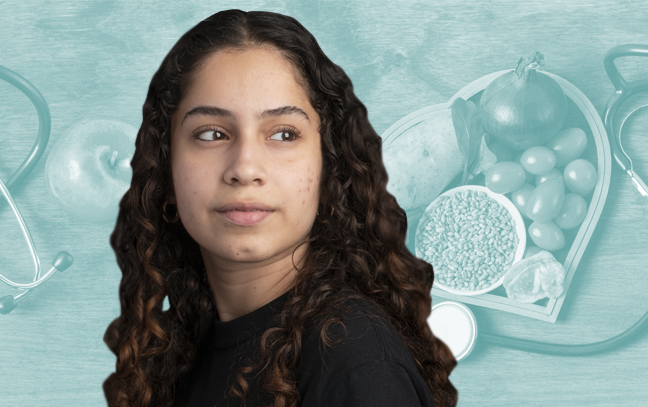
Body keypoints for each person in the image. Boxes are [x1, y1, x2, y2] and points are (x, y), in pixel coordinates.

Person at [103, 9, 457, 407]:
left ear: (328, 171)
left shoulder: (356, 364)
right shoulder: (179, 350)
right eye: (212, 133)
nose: (245, 168)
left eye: (284, 134)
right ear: (166, 170)